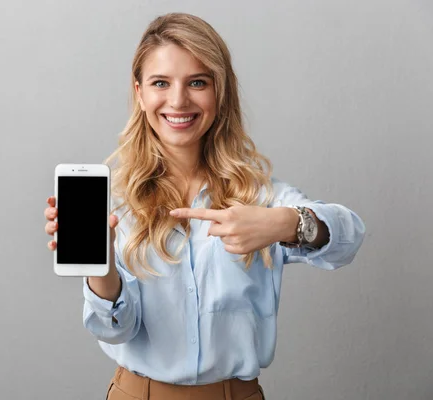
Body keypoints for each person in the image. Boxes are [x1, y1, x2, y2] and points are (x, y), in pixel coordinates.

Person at [44, 12, 365, 400]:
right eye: (160, 82)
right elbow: (115, 329)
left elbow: (349, 237)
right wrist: (104, 262)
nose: (178, 100)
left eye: (197, 82)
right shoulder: (115, 202)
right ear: (140, 93)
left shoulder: (259, 197)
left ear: (220, 92)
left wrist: (286, 224)